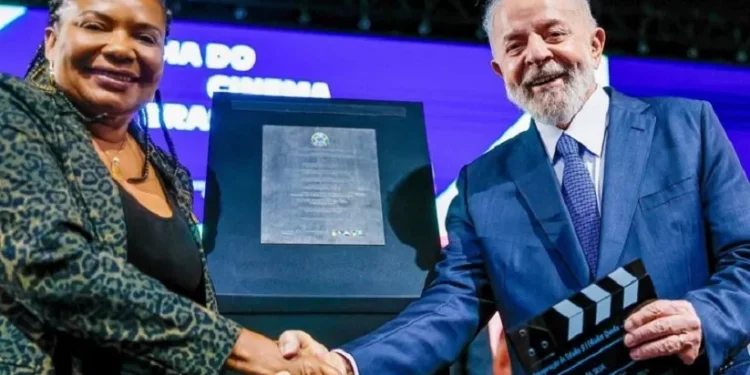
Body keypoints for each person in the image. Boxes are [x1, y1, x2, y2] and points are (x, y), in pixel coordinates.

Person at [277, 0, 750, 374]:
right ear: (500, 71)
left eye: (554, 33)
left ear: (595, 44)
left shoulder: (688, 128)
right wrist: (346, 364)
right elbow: (452, 306)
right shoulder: (482, 184)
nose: (538, 54)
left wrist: (705, 318)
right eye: (515, 45)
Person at [0, 0, 341, 374]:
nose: (120, 48)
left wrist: (286, 353)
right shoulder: (13, 115)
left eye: (145, 37)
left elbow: (190, 315)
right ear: (51, 41)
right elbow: (54, 267)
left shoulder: (167, 170)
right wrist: (244, 349)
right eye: (96, 26)